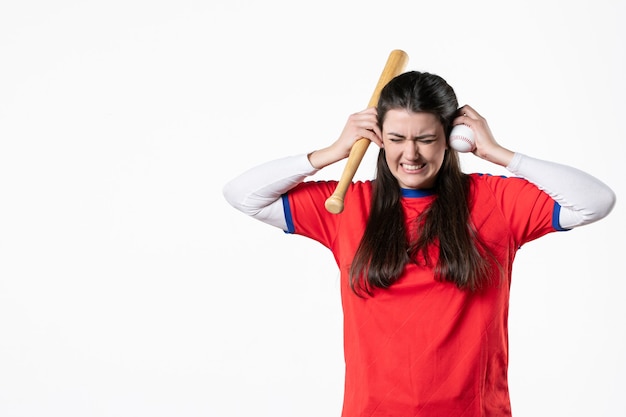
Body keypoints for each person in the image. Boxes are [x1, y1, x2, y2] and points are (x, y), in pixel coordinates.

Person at [222, 71, 616, 417]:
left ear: (452, 139)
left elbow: (595, 202)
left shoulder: (494, 200)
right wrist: (331, 152)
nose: (410, 154)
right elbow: (243, 194)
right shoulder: (347, 205)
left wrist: (499, 153)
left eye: (426, 139)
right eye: (396, 139)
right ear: (377, 139)